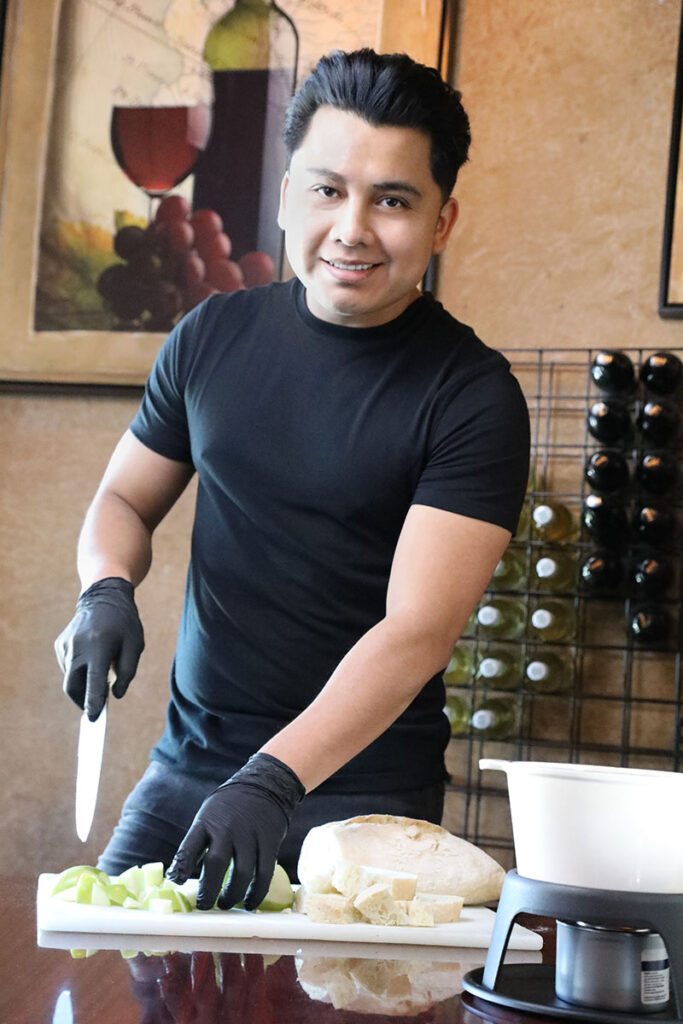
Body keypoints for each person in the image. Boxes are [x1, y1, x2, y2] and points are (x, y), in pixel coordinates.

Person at [55, 48, 530, 913]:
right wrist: (104, 590)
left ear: (442, 221)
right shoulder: (209, 336)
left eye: (391, 199)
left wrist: (274, 779)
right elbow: (125, 498)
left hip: (363, 809)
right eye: (326, 189)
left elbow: (416, 631)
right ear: (283, 196)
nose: (351, 226)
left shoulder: (471, 395)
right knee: (108, 984)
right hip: (185, 779)